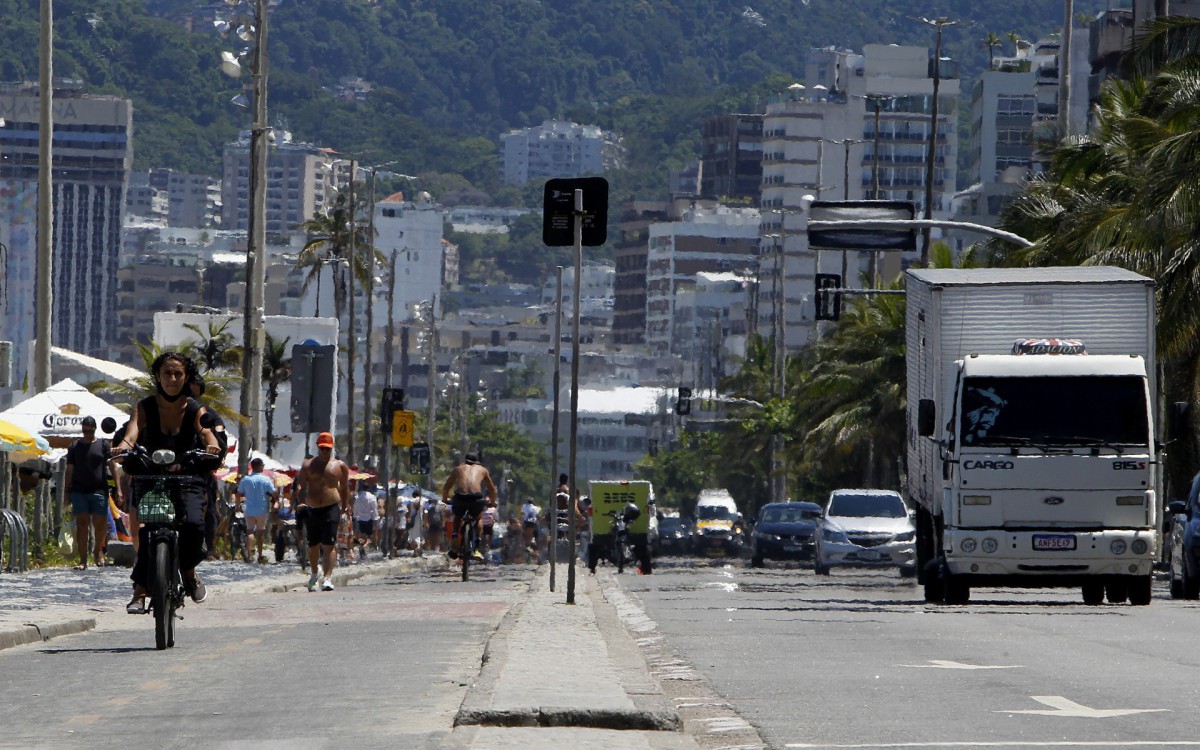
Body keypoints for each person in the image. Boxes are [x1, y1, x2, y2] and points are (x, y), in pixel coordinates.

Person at [114, 352, 221, 614]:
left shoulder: (196, 408)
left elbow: (207, 433)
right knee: (146, 533)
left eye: (177, 374)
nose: (172, 379)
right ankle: (139, 591)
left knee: (195, 526)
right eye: (166, 373)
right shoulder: (144, 407)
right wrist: (122, 448)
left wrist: (212, 446)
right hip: (151, 478)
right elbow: (132, 433)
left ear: (185, 377)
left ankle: (189, 572)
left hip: (187, 479)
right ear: (157, 377)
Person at [293, 432, 349, 591]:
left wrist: (345, 506)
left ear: (332, 448)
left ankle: (328, 577)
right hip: (312, 508)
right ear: (318, 447)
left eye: (328, 449)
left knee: (329, 543)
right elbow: (301, 486)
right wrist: (300, 501)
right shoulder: (308, 465)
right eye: (323, 448)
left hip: (331, 507)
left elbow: (345, 488)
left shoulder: (339, 466)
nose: (325, 452)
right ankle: (314, 573)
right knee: (313, 544)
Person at [64, 416, 113, 570]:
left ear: (95, 429)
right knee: (82, 525)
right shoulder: (74, 446)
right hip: (79, 490)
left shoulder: (103, 445)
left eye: (90, 430)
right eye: (85, 430)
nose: (87, 433)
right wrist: (66, 492)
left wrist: (118, 486)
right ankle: (83, 560)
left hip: (99, 489)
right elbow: (69, 470)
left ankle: (98, 550)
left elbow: (112, 466)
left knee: (100, 525)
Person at [440, 452, 497, 560]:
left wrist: (444, 499)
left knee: (458, 516)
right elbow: (492, 490)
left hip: (460, 497)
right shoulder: (483, 470)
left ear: (465, 460)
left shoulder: (458, 469)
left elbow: (446, 487)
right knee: (478, 517)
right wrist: (493, 503)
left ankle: (455, 536)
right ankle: (476, 546)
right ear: (477, 462)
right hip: (476, 498)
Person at [235, 457, 276, 564]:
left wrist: (237, 505)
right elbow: (274, 492)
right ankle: (260, 554)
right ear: (259, 466)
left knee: (250, 531)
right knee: (260, 533)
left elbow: (238, 493)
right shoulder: (266, 479)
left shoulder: (246, 479)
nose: (263, 467)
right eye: (262, 465)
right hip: (262, 509)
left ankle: (249, 555)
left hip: (249, 508)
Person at [352, 481, 380, 560]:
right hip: (369, 519)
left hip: (360, 519)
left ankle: (362, 548)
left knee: (362, 536)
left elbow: (355, 509)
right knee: (369, 537)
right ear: (368, 488)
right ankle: (364, 547)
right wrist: (376, 519)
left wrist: (355, 516)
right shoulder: (372, 497)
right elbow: (374, 509)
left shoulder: (358, 497)